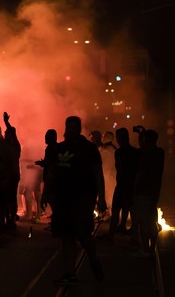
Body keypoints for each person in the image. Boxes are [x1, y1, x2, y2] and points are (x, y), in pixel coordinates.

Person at [41, 116, 106, 285]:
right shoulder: (59, 149)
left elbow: (98, 174)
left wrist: (102, 198)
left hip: (84, 198)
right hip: (63, 198)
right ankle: (70, 273)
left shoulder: (89, 149)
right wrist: (46, 193)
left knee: (83, 235)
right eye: (67, 127)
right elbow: (52, 172)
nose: (69, 130)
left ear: (79, 129)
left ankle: (93, 260)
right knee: (66, 236)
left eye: (73, 127)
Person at [131, 129, 164, 256]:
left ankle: (145, 248)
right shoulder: (160, 152)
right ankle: (152, 247)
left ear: (145, 140)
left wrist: (135, 189)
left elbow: (141, 173)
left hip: (143, 191)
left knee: (143, 221)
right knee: (152, 219)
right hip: (154, 191)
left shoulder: (145, 154)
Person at [106, 127, 139, 240]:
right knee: (130, 210)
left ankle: (111, 236)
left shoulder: (119, 152)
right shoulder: (135, 152)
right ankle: (134, 236)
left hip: (123, 185)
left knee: (116, 210)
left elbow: (119, 169)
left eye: (118, 137)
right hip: (131, 185)